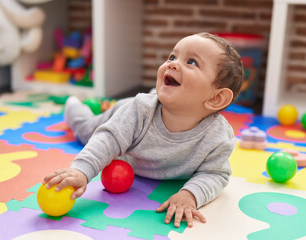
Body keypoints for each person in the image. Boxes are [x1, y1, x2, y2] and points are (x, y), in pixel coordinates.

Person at [42, 32, 244, 228]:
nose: (172, 63)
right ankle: (74, 105)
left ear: (216, 98)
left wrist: (190, 195)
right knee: (85, 130)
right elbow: (107, 140)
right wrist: (81, 171)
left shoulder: (218, 136)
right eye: (172, 56)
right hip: (123, 114)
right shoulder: (139, 110)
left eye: (192, 62)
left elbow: (215, 174)